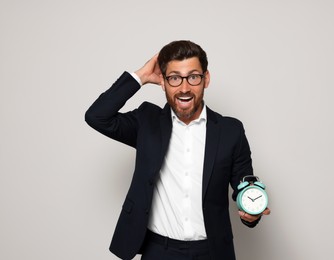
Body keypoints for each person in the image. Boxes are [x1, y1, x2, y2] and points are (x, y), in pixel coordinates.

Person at [85, 40, 270, 260]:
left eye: (193, 77)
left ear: (206, 79)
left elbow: (245, 185)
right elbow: (96, 116)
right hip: (159, 251)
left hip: (212, 251)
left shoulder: (231, 131)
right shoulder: (147, 122)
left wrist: (251, 214)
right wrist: (141, 77)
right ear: (163, 82)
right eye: (174, 78)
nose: (184, 88)